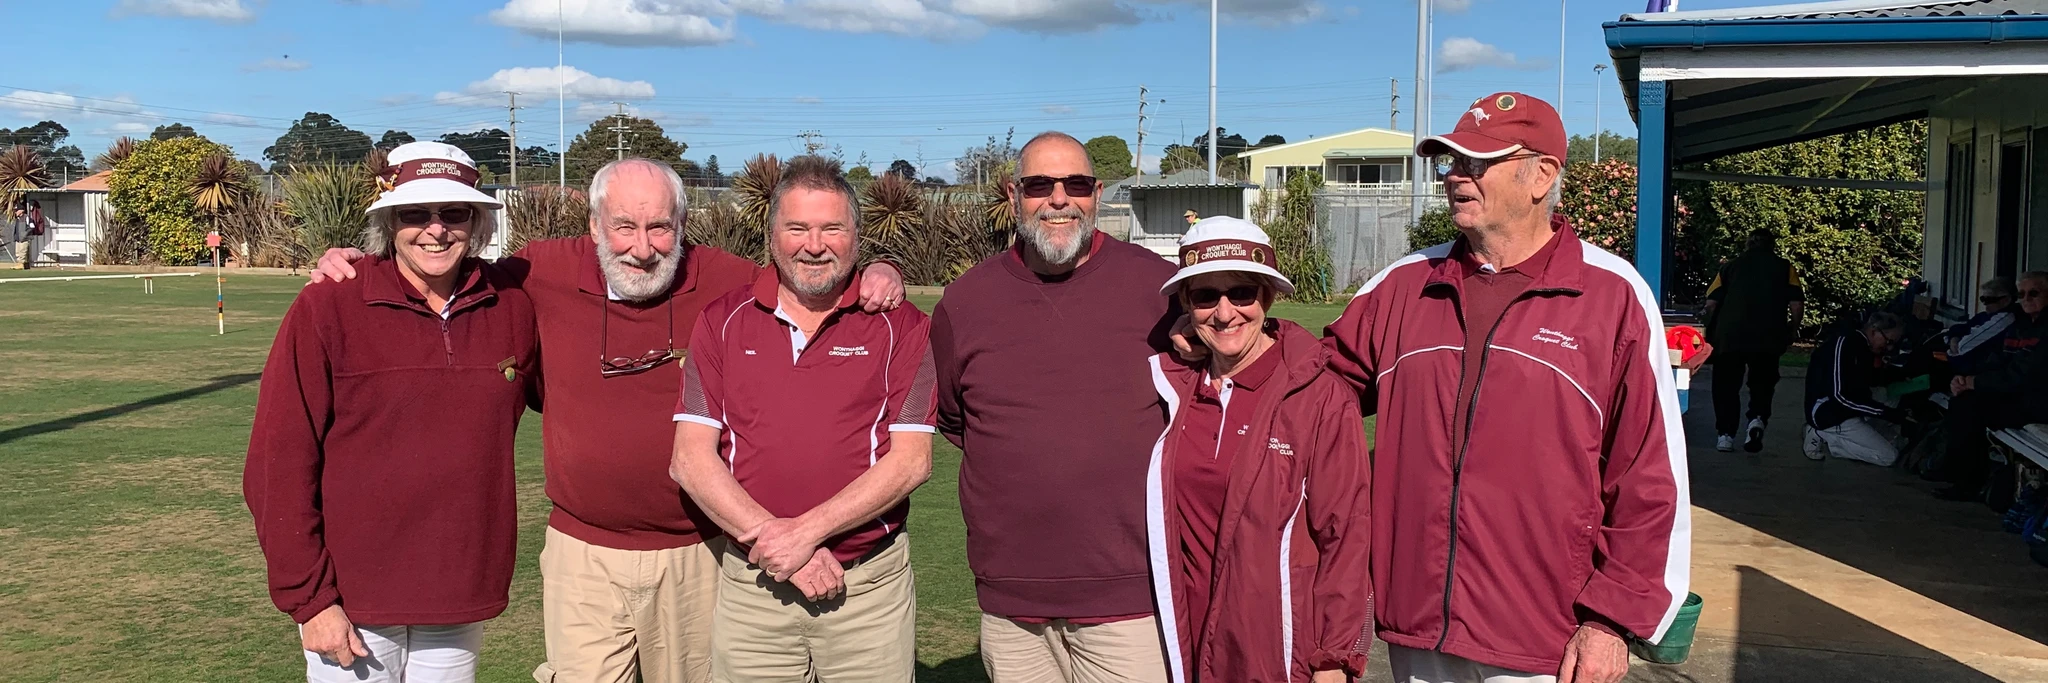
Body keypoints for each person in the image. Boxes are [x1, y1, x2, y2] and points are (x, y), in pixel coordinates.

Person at [308, 159, 906, 683]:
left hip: (699, 550)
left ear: (682, 226)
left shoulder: (727, 282)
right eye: (623, 226)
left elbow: (810, 267)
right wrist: (364, 262)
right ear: (594, 226)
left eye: (659, 227)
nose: (642, 248)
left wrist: (879, 268)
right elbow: (440, 267)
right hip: (581, 553)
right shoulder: (535, 271)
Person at [1321, 93, 1690, 683]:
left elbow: (1649, 478)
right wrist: (1233, 330)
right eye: (1451, 163)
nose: (1455, 177)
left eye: (1476, 162)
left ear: (1541, 174)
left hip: (1546, 641)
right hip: (1417, 627)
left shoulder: (1613, 296)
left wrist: (1610, 621)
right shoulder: (1402, 285)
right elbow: (1315, 394)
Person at [246, 142, 538, 683]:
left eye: (453, 213)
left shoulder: (513, 305)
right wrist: (311, 601)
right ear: (389, 221)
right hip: (350, 602)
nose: (435, 230)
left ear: (475, 222)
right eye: (415, 214)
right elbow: (278, 463)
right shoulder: (327, 304)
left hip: (458, 591)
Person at [669, 156, 934, 682]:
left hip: (867, 589)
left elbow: (911, 463)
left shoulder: (900, 325)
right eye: (798, 228)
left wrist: (805, 534)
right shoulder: (724, 320)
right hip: (754, 584)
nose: (815, 244)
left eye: (832, 227)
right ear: (772, 238)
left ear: (858, 237)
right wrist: (779, 543)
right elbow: (689, 459)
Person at [933, 131, 1179, 683]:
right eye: (1040, 185)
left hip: (1131, 598)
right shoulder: (965, 301)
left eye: (1078, 185)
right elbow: (958, 419)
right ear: (1014, 194)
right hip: (1010, 602)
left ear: (1097, 193)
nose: (1060, 199)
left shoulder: (1157, 288)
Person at [1146, 217, 1372, 683]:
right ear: (1186, 305)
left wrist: (1334, 657)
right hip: (1182, 642)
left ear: (1267, 297)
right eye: (1206, 296)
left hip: (1278, 650)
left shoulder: (1318, 395)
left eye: (1242, 294)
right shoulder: (1174, 387)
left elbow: (1346, 533)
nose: (1225, 313)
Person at [1936, 271, 2048, 502]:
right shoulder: (2021, 325)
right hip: (2018, 395)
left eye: (2034, 293)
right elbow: (1997, 360)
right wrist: (1966, 379)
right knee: (1962, 401)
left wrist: (1975, 383)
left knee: (1970, 409)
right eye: (2022, 294)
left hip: (2039, 401)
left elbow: (2025, 375)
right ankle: (1958, 474)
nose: (2026, 299)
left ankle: (1968, 481)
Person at [1702, 228, 1804, 453]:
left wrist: (1709, 330)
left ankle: (1725, 435)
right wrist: (1793, 329)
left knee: (1726, 385)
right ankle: (1756, 420)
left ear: (1747, 244)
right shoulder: (1784, 267)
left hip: (1730, 336)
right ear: (1772, 245)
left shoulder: (1729, 267)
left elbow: (1711, 304)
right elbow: (1796, 304)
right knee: (1763, 383)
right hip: (1768, 336)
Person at [1801, 311, 1910, 466]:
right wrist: (1885, 413)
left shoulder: (1863, 345)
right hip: (1829, 412)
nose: (1889, 347)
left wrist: (1898, 375)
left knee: (1890, 396)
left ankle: (1866, 434)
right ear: (1874, 331)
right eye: (1888, 341)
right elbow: (1839, 396)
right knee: (1888, 456)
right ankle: (1826, 437)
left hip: (1846, 407)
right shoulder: (1844, 345)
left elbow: (1870, 379)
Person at [1945, 276, 2017, 374]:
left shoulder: (2004, 319)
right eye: (1982, 299)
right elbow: (1961, 328)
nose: (1984, 304)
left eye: (1989, 300)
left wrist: (1952, 345)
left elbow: (1962, 348)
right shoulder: (1985, 315)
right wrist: (1953, 337)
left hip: (1977, 371)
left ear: (2005, 300)